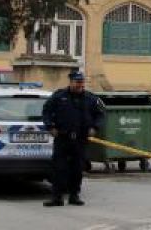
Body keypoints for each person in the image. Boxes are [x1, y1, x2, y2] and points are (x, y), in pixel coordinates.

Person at [41, 70, 104, 207]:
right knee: (59, 168)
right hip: (62, 138)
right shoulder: (59, 96)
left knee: (77, 168)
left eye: (81, 82)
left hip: (80, 139)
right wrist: (50, 126)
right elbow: (46, 111)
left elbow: (100, 115)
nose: (80, 85)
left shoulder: (90, 98)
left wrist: (95, 127)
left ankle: (74, 196)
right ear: (70, 82)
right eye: (77, 82)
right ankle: (57, 198)